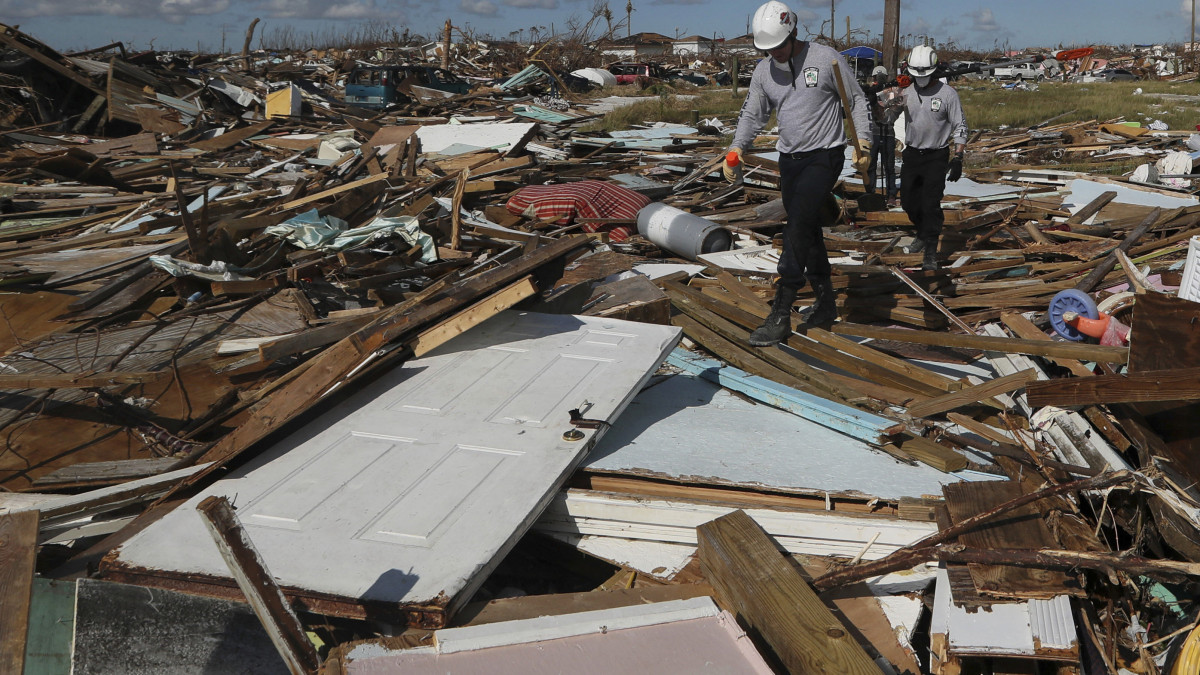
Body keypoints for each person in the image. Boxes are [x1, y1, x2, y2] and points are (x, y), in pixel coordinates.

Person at [723, 0, 872, 346]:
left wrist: (863, 141)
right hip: (789, 160)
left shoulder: (825, 59)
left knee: (796, 226)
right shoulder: (764, 72)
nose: (773, 53)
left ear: (792, 33)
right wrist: (736, 147)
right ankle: (825, 302)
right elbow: (752, 115)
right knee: (808, 227)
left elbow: (857, 101)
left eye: (778, 46)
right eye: (767, 48)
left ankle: (781, 310)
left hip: (825, 155)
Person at [893, 44, 968, 271]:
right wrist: (882, 105)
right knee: (907, 201)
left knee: (930, 204)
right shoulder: (906, 91)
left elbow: (960, 125)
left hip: (937, 155)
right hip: (912, 153)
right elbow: (887, 117)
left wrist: (958, 157)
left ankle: (930, 251)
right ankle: (923, 232)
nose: (920, 79)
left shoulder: (947, 94)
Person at [862, 65, 898, 205]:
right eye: (876, 79)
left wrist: (881, 96)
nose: (877, 82)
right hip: (873, 134)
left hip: (887, 133)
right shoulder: (870, 92)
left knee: (889, 166)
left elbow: (893, 109)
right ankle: (870, 193)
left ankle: (891, 195)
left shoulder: (892, 93)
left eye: (880, 79)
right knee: (870, 165)